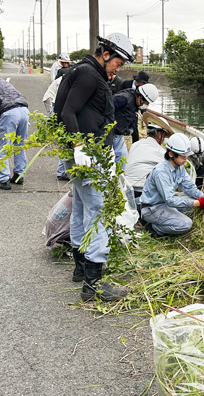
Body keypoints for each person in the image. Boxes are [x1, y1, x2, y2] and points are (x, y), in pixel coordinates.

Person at [53, 33, 135, 302]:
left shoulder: (81, 70)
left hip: (84, 154)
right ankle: (94, 283)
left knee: (81, 206)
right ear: (107, 54)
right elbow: (67, 111)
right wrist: (79, 146)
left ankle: (80, 267)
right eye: (118, 63)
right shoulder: (89, 75)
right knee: (98, 210)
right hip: (86, 154)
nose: (118, 69)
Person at [138, 133, 204, 237]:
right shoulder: (161, 172)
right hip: (153, 208)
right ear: (171, 154)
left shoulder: (179, 166)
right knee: (185, 224)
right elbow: (170, 200)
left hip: (164, 204)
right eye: (183, 156)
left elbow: (189, 187)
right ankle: (153, 228)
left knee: (191, 208)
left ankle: (167, 220)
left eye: (186, 156)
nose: (186, 159)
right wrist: (197, 203)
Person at [111, 83, 159, 166]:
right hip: (109, 133)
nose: (146, 105)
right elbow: (104, 110)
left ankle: (119, 176)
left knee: (123, 159)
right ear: (140, 97)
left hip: (118, 135)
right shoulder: (122, 99)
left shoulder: (135, 104)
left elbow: (134, 125)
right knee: (108, 158)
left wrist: (135, 146)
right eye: (146, 103)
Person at [124, 120, 170, 196]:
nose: (163, 139)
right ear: (159, 134)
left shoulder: (134, 145)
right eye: (164, 136)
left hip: (128, 188)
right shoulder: (162, 152)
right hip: (145, 192)